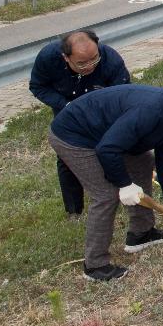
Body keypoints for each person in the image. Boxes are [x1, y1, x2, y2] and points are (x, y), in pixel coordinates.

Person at [49, 80, 163, 282]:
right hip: (75, 136)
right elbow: (107, 150)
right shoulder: (151, 112)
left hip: (107, 133)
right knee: (106, 195)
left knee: (144, 162)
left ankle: (141, 234)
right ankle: (95, 265)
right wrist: (125, 184)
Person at [30, 30, 131, 217]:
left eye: (94, 59)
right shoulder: (48, 59)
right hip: (68, 111)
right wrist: (65, 105)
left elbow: (123, 96)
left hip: (104, 110)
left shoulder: (111, 61)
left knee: (115, 150)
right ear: (65, 58)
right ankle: (74, 211)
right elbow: (38, 86)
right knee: (68, 158)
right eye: (82, 63)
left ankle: (128, 193)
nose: (90, 66)